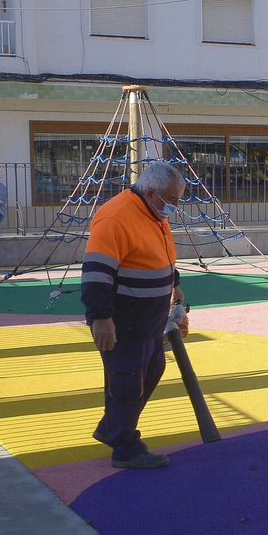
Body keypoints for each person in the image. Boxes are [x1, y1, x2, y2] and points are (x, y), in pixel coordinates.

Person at [82, 161, 189, 469]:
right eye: (172, 199)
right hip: (123, 320)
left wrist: (175, 284)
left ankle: (112, 428)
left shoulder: (152, 211)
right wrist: (101, 318)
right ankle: (125, 447)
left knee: (152, 369)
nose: (176, 206)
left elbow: (159, 253)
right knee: (128, 381)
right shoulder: (117, 216)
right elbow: (96, 272)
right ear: (152, 192)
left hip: (149, 320)